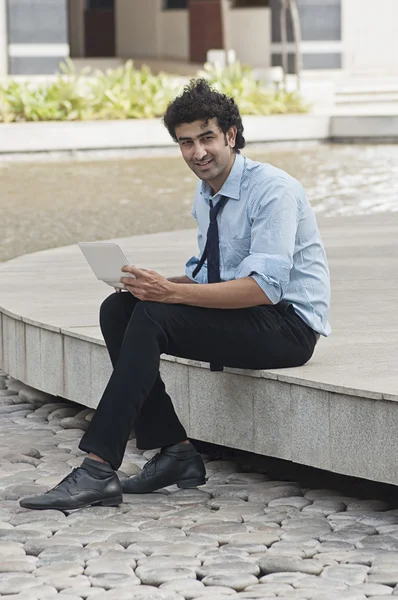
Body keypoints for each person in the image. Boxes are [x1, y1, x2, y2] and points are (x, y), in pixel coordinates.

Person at [20, 79, 331, 511]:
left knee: (155, 315)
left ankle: (96, 469)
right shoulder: (207, 194)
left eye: (207, 138)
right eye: (186, 143)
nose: (198, 153)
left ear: (231, 135)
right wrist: (152, 284)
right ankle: (175, 453)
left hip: (288, 326)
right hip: (247, 316)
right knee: (120, 309)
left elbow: (264, 288)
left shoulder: (273, 190)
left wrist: (168, 297)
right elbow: (207, 279)